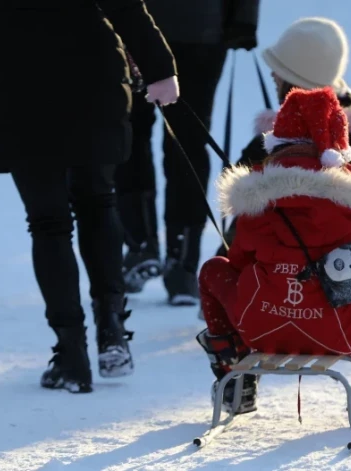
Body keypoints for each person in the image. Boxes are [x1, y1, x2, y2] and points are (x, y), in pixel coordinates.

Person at [0, 0, 178, 393]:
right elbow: (126, 5)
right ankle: (112, 328)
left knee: (47, 222)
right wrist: (159, 68)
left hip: (17, 71)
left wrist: (3, 40)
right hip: (91, 66)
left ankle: (71, 355)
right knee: (98, 201)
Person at [196, 87, 351, 418]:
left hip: (260, 325)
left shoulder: (257, 198)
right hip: (341, 332)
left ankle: (235, 381)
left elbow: (237, 262)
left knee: (213, 270)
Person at [213, 17, 351, 260]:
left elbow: (243, 215)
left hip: (277, 272)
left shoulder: (273, 145)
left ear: (294, 82)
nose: (273, 75)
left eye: (278, 75)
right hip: (340, 271)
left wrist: (225, 260)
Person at [115, 0, 260, 305]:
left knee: (131, 135)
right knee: (188, 143)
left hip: (134, 25)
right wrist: (243, 20)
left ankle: (141, 244)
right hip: (202, 28)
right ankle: (182, 262)